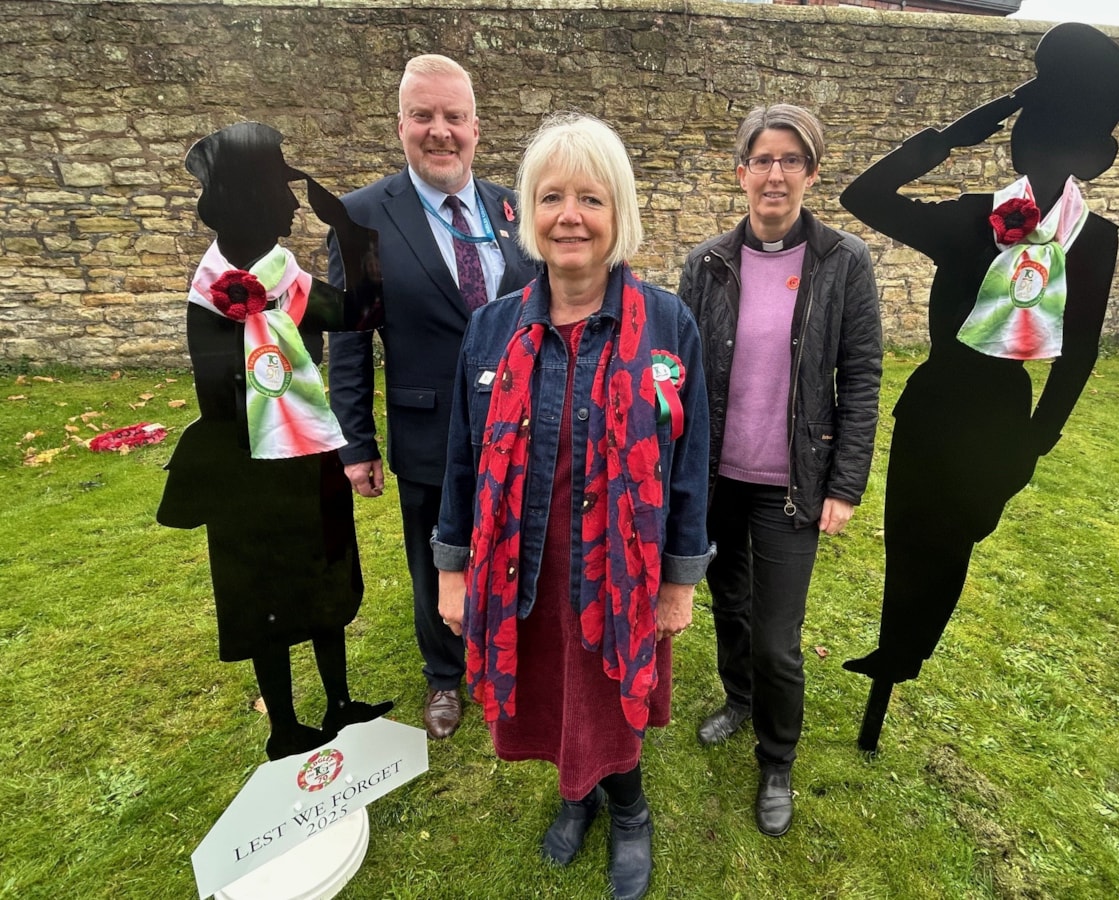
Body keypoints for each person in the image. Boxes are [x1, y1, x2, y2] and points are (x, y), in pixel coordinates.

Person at [839, 23, 1119, 748]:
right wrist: (957, 132)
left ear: (1090, 163)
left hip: (1002, 414)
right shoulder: (978, 217)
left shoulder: (1092, 240)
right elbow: (865, 196)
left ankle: (907, 650)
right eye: (1033, 141)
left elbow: (1080, 354)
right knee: (908, 536)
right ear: (1017, 144)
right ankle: (893, 644)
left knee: (951, 544)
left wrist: (1038, 441)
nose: (1045, 161)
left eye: (1064, 150)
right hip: (937, 400)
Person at [433, 113, 712, 900]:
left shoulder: (668, 325)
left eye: (590, 198)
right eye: (552, 197)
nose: (570, 217)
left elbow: (690, 466)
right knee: (549, 690)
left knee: (605, 693)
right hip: (523, 564)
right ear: (526, 211)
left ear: (617, 213)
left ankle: (629, 811)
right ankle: (574, 794)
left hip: (621, 568)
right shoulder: (492, 329)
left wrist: (680, 579)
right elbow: (462, 459)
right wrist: (453, 570)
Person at [678, 104, 883, 836]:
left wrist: (846, 483)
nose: (774, 174)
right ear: (741, 172)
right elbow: (679, 370)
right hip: (716, 478)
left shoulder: (843, 262)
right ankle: (738, 700)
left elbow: (861, 376)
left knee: (777, 636)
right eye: (761, 159)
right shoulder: (706, 263)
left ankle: (778, 759)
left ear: (811, 173)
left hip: (793, 483)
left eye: (790, 160)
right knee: (726, 605)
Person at [158, 122, 392, 761]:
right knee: (264, 597)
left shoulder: (286, 277)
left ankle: (340, 703)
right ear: (253, 202)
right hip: (249, 470)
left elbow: (361, 315)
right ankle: (284, 725)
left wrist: (349, 234)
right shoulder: (210, 296)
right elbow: (219, 397)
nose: (295, 205)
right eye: (283, 193)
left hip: (308, 459)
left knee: (326, 581)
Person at [327, 54, 537, 740]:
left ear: (478, 127)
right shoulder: (361, 217)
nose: (439, 131)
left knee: (519, 539)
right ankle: (445, 676)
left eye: (454, 117)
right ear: (401, 126)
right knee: (434, 554)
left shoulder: (516, 208)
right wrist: (354, 442)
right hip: (427, 429)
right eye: (424, 116)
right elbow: (351, 340)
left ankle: (515, 648)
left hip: (525, 425)